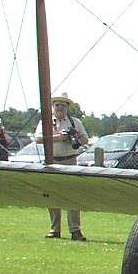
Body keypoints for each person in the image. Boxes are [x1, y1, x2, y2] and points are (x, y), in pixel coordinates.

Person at [35, 95, 89, 241]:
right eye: (57, 105)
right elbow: (38, 139)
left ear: (67, 107)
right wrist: (59, 137)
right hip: (52, 162)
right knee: (52, 195)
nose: (60, 108)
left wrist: (75, 136)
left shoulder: (75, 122)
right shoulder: (45, 122)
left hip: (70, 161)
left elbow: (85, 140)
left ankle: (75, 230)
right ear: (53, 107)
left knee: (72, 195)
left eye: (63, 105)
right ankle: (55, 229)